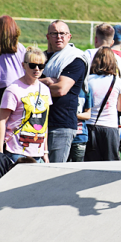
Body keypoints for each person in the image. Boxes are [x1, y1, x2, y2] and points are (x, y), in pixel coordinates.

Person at [39, 20, 87, 163]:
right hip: (36, 123)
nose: (59, 37)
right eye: (54, 33)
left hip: (61, 124)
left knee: (52, 172)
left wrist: (35, 84)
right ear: (48, 37)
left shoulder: (74, 59)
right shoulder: (40, 58)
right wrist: (47, 81)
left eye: (62, 33)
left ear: (69, 36)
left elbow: (60, 89)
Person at [0, 46, 52, 163]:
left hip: (38, 152)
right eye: (32, 65)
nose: (37, 69)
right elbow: (2, 121)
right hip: (16, 151)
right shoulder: (13, 89)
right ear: (23, 65)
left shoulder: (45, 90)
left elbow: (44, 123)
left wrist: (45, 152)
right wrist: (0, 152)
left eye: (41, 66)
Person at [85, 47, 121, 161]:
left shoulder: (88, 80)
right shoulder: (117, 81)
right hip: (110, 127)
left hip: (90, 126)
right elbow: (120, 107)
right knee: (111, 165)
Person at [83, 23, 121, 105]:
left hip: (88, 106)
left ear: (95, 39)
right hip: (110, 107)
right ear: (112, 42)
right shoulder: (119, 59)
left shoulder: (87, 54)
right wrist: (120, 104)